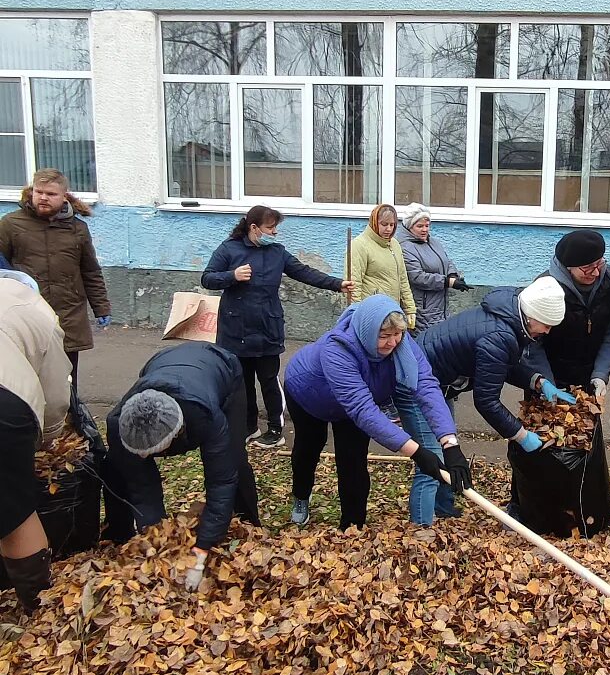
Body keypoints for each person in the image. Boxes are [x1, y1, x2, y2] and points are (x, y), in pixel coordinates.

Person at [284, 295, 470, 529]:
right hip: (309, 396)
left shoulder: (401, 342)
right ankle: (301, 496)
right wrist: (417, 452)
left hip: (354, 405)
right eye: (383, 336)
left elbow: (425, 384)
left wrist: (449, 443)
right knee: (308, 449)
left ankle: (352, 527)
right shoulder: (337, 349)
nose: (392, 343)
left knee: (353, 461)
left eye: (397, 334)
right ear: (367, 331)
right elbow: (362, 409)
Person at [408, 276, 566, 526]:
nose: (547, 331)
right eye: (546, 325)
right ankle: (421, 528)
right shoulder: (499, 335)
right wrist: (520, 435)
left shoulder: (508, 318)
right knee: (431, 456)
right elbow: (486, 401)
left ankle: (442, 508)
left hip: (436, 380)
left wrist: (537, 381)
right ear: (532, 315)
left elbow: (500, 365)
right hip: (418, 383)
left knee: (444, 446)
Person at [103, 342, 261, 591]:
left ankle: (251, 526)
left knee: (235, 461)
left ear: (175, 437)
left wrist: (201, 550)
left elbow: (220, 481)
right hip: (162, 362)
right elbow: (140, 485)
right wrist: (155, 538)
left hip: (222, 369)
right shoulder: (119, 423)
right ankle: (119, 535)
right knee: (117, 468)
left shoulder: (204, 414)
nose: (145, 459)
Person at [201, 205, 347, 449]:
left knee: (268, 380)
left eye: (276, 227)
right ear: (254, 228)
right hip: (235, 329)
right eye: (270, 228)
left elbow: (304, 272)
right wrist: (232, 275)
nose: (275, 232)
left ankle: (275, 429)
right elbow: (207, 278)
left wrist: (338, 284)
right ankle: (249, 426)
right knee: (241, 382)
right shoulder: (228, 249)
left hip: (267, 327)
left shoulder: (278, 253)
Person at [510, 229, 610, 527]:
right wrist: (546, 385)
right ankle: (524, 504)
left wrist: (600, 376)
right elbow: (532, 343)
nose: (595, 272)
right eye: (587, 268)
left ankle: (585, 507)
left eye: (599, 263)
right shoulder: (546, 288)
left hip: (586, 375)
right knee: (537, 439)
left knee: (583, 440)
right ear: (567, 266)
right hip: (546, 374)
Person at [0, 168, 112, 391]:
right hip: (27, 315)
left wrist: (102, 308)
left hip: (67, 314)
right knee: (28, 378)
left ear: (64, 196)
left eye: (50, 194)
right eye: (39, 192)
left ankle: (72, 421)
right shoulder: (11, 225)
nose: (43, 197)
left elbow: (91, 272)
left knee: (67, 381)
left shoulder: (78, 229)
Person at [0, 271, 71, 612]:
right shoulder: (35, 307)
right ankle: (38, 608)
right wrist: (51, 436)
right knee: (15, 514)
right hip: (4, 399)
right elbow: (56, 392)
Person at [396, 203, 471, 332]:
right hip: (423, 308)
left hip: (441, 306)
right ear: (409, 227)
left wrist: (453, 275)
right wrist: (447, 282)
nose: (424, 229)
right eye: (419, 226)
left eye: (427, 225)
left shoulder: (434, 242)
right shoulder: (404, 247)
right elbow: (417, 277)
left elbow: (446, 261)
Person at [348, 204, 416, 328]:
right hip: (371, 313)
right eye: (384, 224)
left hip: (393, 310)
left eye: (392, 225)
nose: (389, 229)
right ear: (374, 222)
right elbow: (354, 283)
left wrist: (410, 308)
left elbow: (403, 278)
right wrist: (355, 313)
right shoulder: (359, 245)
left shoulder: (394, 244)